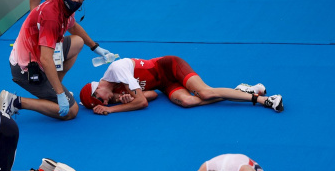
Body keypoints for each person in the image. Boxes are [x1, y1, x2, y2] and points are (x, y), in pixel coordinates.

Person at [0, 0, 113, 120]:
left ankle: (52, 89)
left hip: (36, 54)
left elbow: (73, 27)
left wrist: (94, 47)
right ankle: (15, 101)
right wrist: (60, 93)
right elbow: (46, 59)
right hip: (27, 69)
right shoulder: (51, 17)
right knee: (72, 111)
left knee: (78, 42)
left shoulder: (64, 5)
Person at [79, 56, 284, 115]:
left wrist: (112, 109)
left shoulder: (117, 69)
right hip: (165, 85)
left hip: (171, 67)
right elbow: (151, 96)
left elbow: (142, 103)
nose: (106, 101)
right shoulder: (115, 90)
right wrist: (128, 98)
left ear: (97, 90)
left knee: (205, 92)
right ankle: (240, 90)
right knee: (188, 102)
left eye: (101, 100)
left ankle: (265, 100)